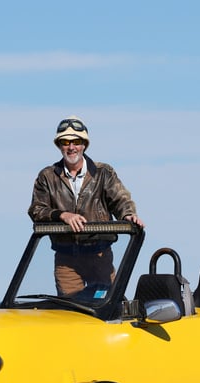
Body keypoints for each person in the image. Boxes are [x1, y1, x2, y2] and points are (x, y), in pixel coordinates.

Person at [28, 116, 144, 296]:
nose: (71, 147)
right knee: (70, 314)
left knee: (108, 310)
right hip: (66, 259)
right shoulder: (47, 177)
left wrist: (128, 215)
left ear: (84, 145)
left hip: (99, 256)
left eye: (76, 141)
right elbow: (36, 210)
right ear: (59, 145)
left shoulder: (104, 173)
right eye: (66, 142)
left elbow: (120, 199)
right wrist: (62, 215)